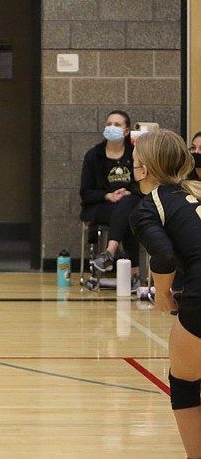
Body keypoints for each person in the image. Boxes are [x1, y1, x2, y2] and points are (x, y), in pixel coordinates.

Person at [129, 129, 201, 459]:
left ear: (142, 169)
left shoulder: (149, 206)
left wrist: (162, 294)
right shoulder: (194, 194)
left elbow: (164, 256)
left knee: (185, 381)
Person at [80, 109, 142, 281]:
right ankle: (134, 272)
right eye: (109, 124)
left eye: (117, 124)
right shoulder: (94, 155)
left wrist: (128, 191)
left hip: (131, 201)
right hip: (102, 205)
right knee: (129, 215)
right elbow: (86, 193)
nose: (111, 127)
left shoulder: (136, 153)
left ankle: (109, 253)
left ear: (126, 131)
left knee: (128, 205)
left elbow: (143, 183)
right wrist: (108, 195)